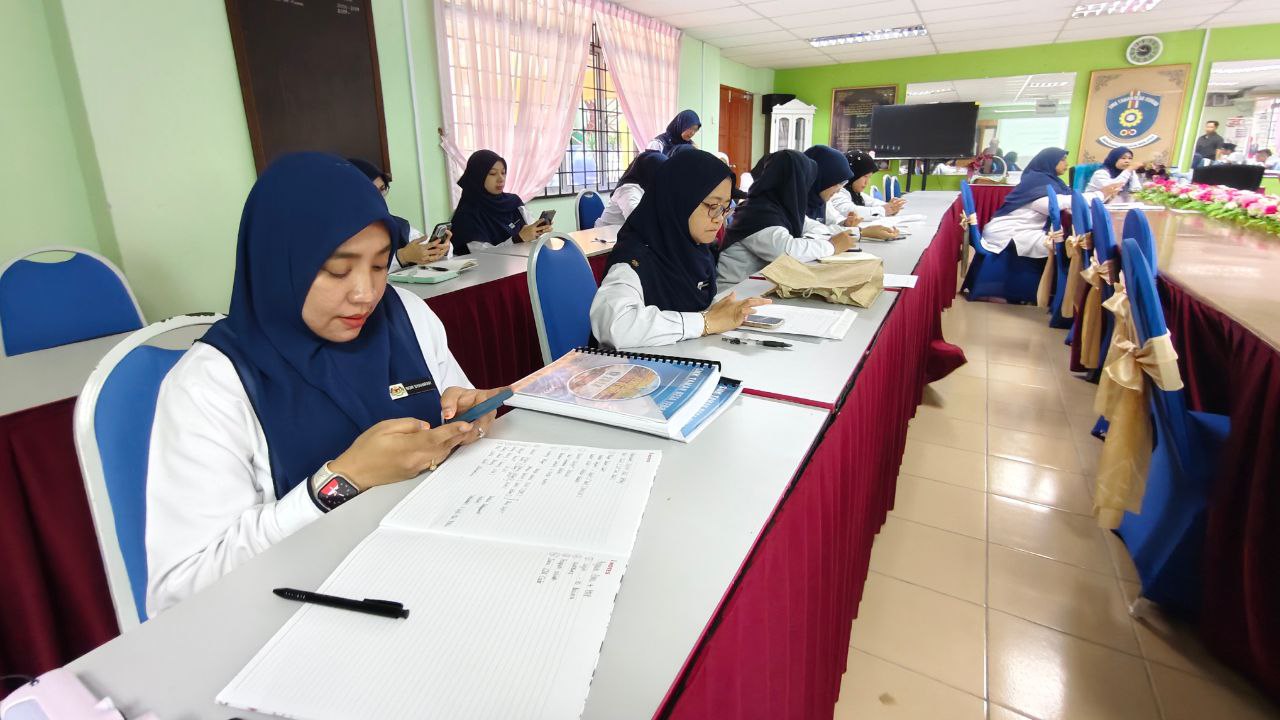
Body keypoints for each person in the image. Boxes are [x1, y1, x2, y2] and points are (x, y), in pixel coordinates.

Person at [145, 153, 504, 614]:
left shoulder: (408, 316)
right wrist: (342, 481)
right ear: (279, 263)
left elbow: (454, 419)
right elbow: (181, 589)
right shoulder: (213, 382)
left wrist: (467, 419)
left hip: (438, 569)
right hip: (308, 611)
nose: (366, 293)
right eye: (338, 269)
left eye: (379, 265)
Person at [590, 149, 771, 348]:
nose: (720, 217)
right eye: (713, 205)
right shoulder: (635, 259)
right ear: (679, 201)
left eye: (726, 207)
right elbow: (616, 325)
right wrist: (705, 322)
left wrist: (713, 313)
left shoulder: (697, 251)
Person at [715, 150, 859, 286]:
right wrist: (832, 246)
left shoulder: (779, 207)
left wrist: (852, 234)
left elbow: (813, 227)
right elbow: (788, 250)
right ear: (793, 183)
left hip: (756, 288)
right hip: (732, 292)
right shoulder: (756, 214)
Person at [981, 147, 1113, 259]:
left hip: (1024, 229)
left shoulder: (1046, 179)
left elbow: (1066, 198)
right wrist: (1099, 195)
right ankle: (1057, 284)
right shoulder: (1037, 181)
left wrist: (1100, 195)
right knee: (1071, 245)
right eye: (1062, 160)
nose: (1066, 164)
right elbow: (1052, 205)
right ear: (1049, 161)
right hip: (1010, 232)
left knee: (1071, 242)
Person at [348, 158, 452, 268]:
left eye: (382, 189)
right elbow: (352, 271)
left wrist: (439, 249)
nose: (380, 198)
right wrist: (402, 257)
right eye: (372, 192)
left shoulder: (398, 224)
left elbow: (421, 245)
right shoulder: (341, 232)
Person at [449, 150, 552, 255]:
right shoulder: (466, 214)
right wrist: (519, 238)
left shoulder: (514, 202)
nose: (501, 179)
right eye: (492, 173)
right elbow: (483, 256)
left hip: (525, 265)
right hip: (487, 271)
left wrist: (539, 232)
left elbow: (531, 235)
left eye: (503, 172)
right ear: (477, 176)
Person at [827, 150, 904, 223]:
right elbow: (850, 210)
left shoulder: (855, 193)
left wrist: (891, 207)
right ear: (853, 175)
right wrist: (884, 210)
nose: (867, 182)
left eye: (869, 177)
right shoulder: (837, 192)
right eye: (865, 176)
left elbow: (872, 202)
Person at [596, 151, 666, 227]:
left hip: (625, 235)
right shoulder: (628, 189)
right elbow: (638, 220)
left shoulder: (649, 189)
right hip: (604, 235)